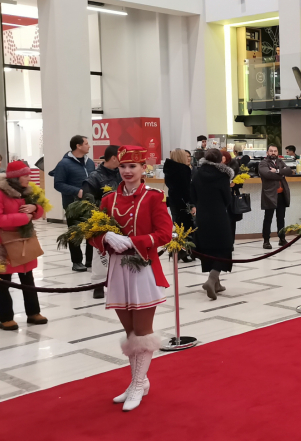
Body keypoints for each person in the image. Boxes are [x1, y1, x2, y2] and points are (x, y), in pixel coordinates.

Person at [88, 145, 171, 412]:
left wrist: (134, 241)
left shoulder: (154, 197)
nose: (127, 171)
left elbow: (164, 233)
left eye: (132, 166)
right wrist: (105, 237)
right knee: (130, 332)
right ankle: (140, 381)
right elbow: (91, 232)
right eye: (123, 166)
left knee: (143, 332)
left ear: (143, 168)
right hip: (117, 270)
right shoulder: (108, 200)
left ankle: (136, 385)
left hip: (143, 268)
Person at [0, 161, 48, 331]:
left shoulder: (28, 191)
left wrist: (34, 208)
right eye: (25, 175)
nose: (29, 178)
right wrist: (24, 218)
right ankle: (6, 318)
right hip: (3, 243)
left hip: (24, 241)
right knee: (4, 282)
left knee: (28, 278)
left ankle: (33, 313)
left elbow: (39, 211)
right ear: (15, 178)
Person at [191, 148, 234, 300]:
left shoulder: (197, 173)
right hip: (218, 214)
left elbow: (193, 194)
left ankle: (217, 284)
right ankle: (211, 280)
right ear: (219, 159)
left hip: (202, 215)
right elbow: (227, 198)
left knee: (208, 247)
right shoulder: (223, 175)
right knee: (224, 246)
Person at [49, 134, 95, 272]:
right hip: (72, 205)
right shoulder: (64, 164)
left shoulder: (90, 162)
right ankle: (77, 261)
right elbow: (58, 184)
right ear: (78, 146)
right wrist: (76, 191)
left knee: (92, 231)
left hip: (90, 204)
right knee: (75, 233)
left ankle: (90, 260)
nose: (89, 146)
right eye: (86, 144)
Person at [82, 145, 122, 299]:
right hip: (102, 220)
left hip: (121, 220)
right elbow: (87, 202)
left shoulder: (122, 174)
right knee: (100, 254)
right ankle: (98, 284)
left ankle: (119, 282)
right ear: (114, 158)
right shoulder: (94, 177)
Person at [258, 145, 294, 249]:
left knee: (281, 218)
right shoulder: (263, 163)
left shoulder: (280, 162)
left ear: (277, 152)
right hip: (269, 195)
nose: (273, 153)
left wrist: (277, 171)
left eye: (275, 151)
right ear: (267, 152)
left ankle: (282, 239)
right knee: (268, 218)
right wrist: (281, 174)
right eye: (271, 151)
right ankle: (266, 241)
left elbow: (289, 171)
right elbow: (267, 174)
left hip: (282, 194)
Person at [163, 149, 194, 265]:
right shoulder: (184, 169)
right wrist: (191, 204)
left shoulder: (168, 169)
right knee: (187, 227)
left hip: (173, 200)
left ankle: (176, 249)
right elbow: (186, 189)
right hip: (183, 202)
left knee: (177, 225)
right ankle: (185, 251)